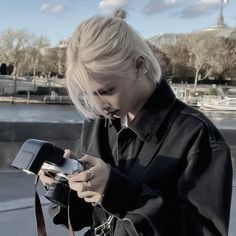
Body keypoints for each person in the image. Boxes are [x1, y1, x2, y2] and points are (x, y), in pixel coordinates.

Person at [39, 9, 232, 236]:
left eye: (107, 90)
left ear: (139, 66)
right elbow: (90, 218)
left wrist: (117, 191)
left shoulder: (197, 136)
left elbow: (203, 231)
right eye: (88, 94)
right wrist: (66, 185)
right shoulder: (97, 124)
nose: (98, 105)